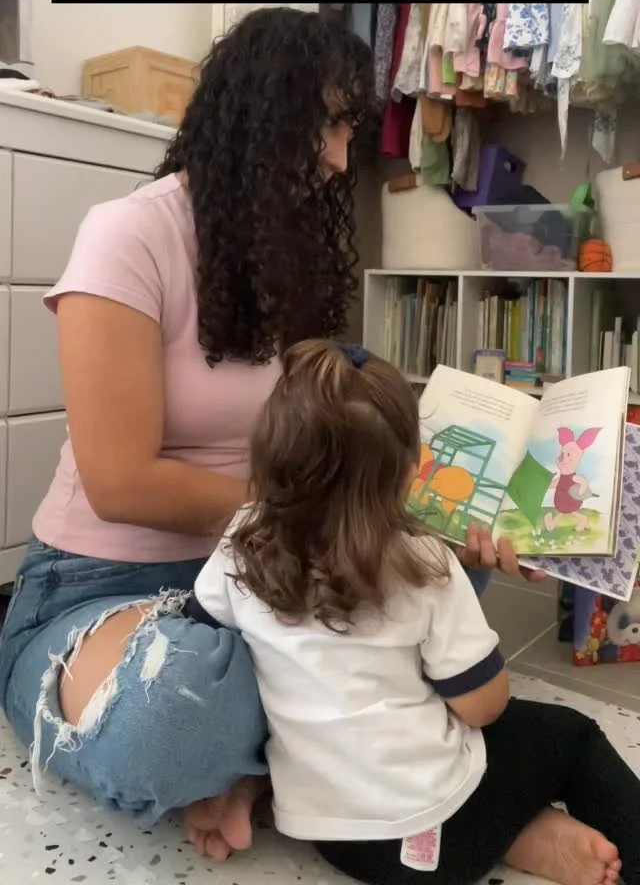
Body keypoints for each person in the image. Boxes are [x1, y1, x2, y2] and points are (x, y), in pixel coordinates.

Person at [0, 7, 538, 862]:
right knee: (174, 710)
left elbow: (324, 443)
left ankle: (268, 769)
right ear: (261, 115)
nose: (341, 159)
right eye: (331, 126)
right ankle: (346, 761)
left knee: (439, 571)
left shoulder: (289, 256)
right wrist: (329, 514)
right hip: (107, 586)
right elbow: (120, 482)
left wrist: (420, 511)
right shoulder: (128, 233)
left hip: (268, 570)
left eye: (349, 130)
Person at [195, 339, 640, 885]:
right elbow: (483, 708)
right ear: (411, 471)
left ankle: (524, 835)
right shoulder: (424, 561)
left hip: (330, 835)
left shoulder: (241, 539)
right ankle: (515, 831)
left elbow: (200, 636)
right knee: (571, 737)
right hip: (435, 828)